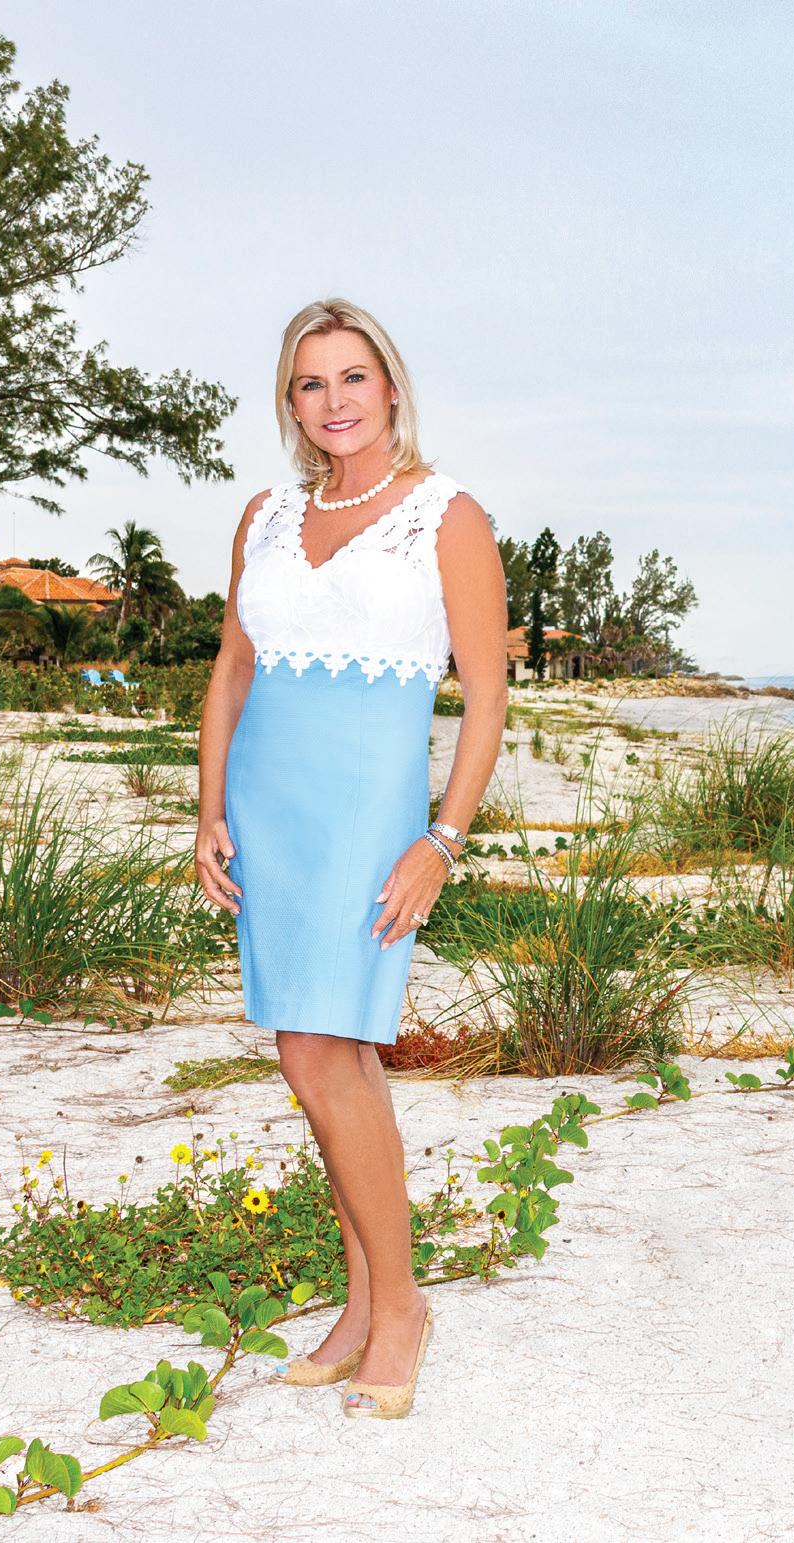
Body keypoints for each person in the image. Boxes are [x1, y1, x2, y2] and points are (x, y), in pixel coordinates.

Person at [192, 298, 509, 1418]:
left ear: (391, 386)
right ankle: (366, 1297)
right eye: (311, 382)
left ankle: (404, 1305)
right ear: (290, 402)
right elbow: (233, 668)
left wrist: (441, 839)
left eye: (353, 377)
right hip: (266, 808)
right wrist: (207, 808)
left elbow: (486, 697)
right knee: (329, 1057)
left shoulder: (445, 517)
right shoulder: (265, 515)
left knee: (321, 1053)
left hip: (367, 814)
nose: (335, 401)